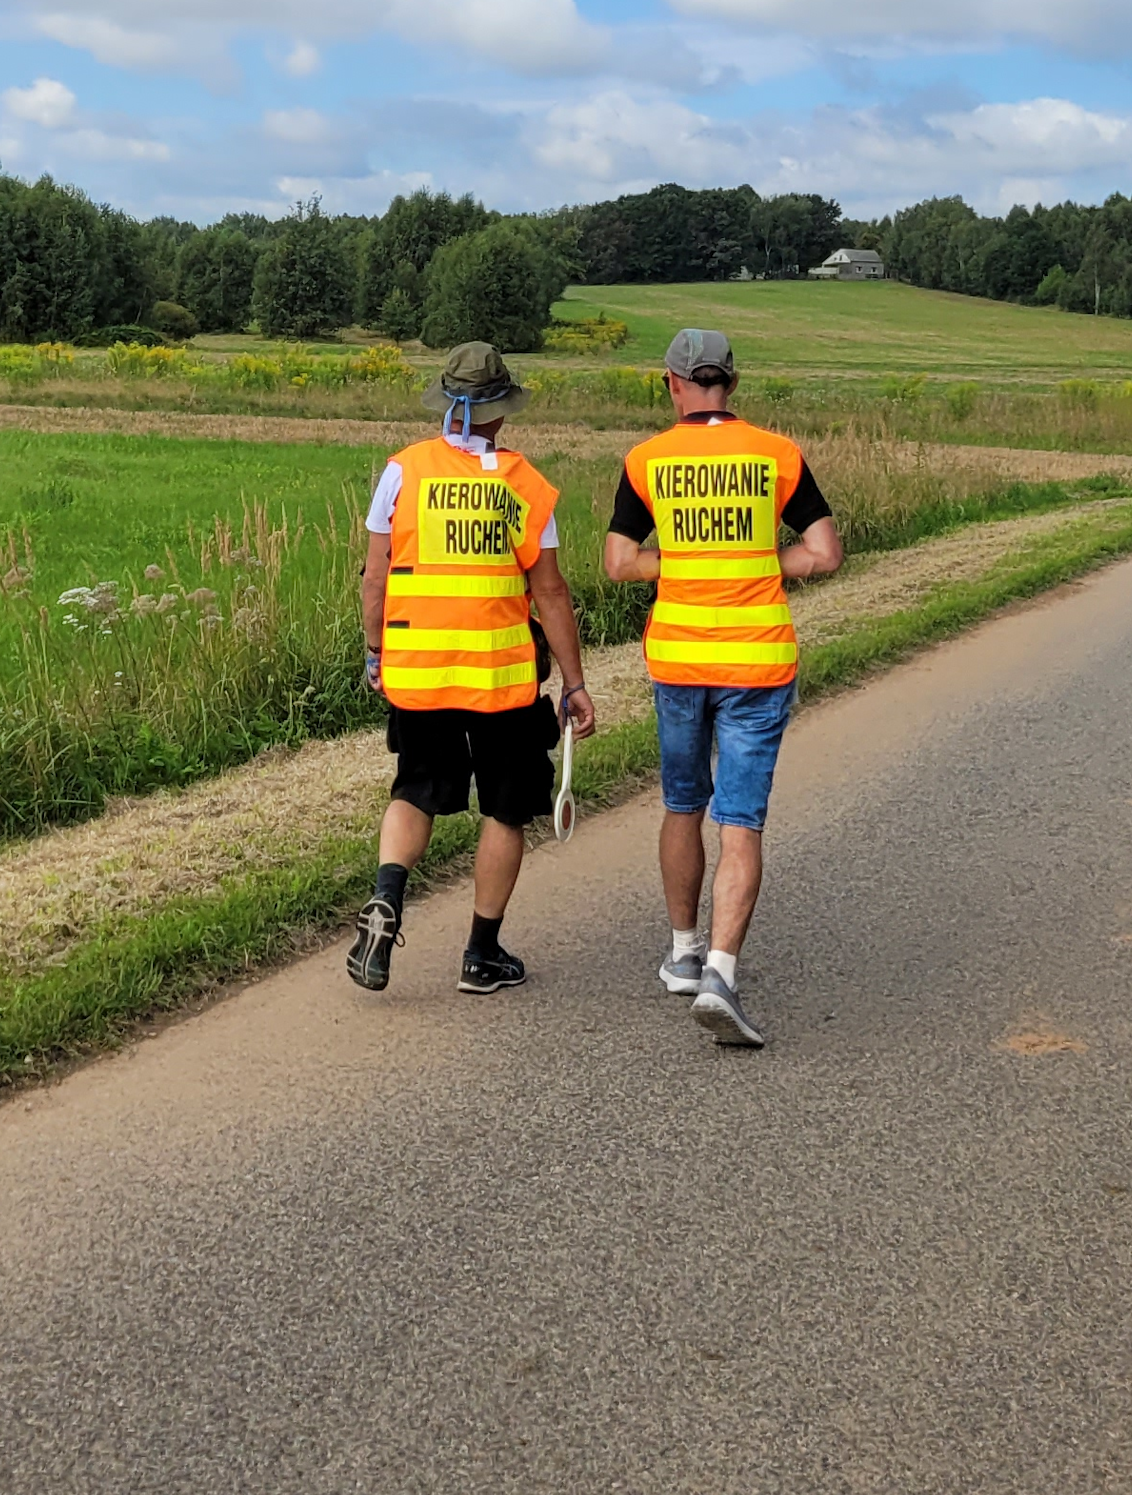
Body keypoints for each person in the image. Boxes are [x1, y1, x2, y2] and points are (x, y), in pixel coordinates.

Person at [607, 327, 841, 1050]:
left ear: (671, 385)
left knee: (683, 802)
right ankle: (720, 972)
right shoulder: (777, 454)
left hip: (678, 662)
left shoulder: (646, 461)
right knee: (740, 818)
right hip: (756, 663)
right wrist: (769, 564)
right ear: (732, 385)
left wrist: (676, 567)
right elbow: (825, 552)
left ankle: (681, 952)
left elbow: (618, 562)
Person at [348, 342, 598, 994]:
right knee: (506, 810)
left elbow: (376, 576)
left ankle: (386, 898)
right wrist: (574, 683)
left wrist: (376, 652)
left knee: (415, 791)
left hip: (420, 670)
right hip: (500, 681)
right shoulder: (524, 484)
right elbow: (550, 592)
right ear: (501, 412)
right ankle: (481, 955)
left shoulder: (402, 473)